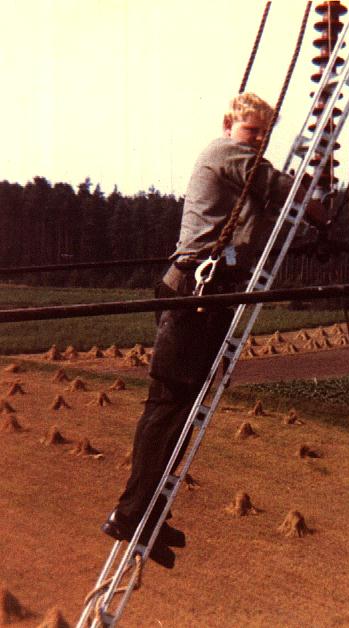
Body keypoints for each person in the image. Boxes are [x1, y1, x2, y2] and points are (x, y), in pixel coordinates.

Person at [101, 93, 325, 568]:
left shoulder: (240, 172)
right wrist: (318, 198)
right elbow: (283, 189)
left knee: (180, 410)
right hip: (194, 293)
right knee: (168, 405)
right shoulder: (226, 153)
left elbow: (265, 218)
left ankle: (148, 513)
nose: (258, 142)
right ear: (230, 126)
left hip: (204, 295)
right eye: (252, 132)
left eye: (265, 135)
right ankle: (131, 511)